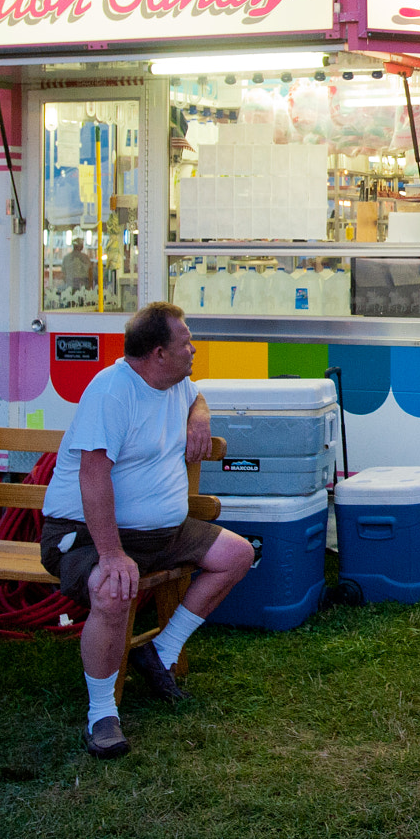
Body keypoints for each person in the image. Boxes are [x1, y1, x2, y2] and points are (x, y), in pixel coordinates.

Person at [39, 302, 253, 758]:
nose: (193, 349)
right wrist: (113, 555)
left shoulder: (174, 382)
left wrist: (200, 414)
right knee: (114, 590)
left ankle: (159, 652)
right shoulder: (112, 392)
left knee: (237, 555)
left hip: (162, 534)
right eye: (185, 343)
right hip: (87, 533)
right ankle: (101, 714)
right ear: (158, 353)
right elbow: (92, 476)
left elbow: (196, 393)